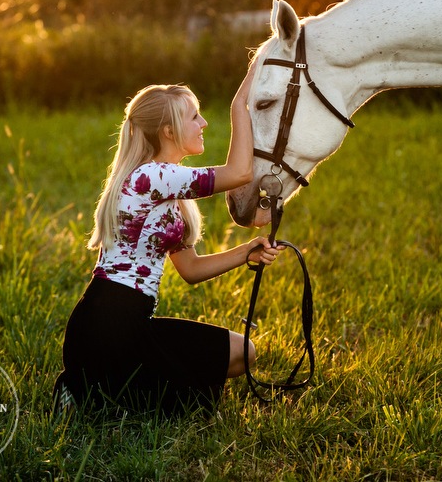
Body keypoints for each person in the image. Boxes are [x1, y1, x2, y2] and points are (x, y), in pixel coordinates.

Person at [53, 73, 280, 414]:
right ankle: (91, 394)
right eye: (194, 117)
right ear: (169, 131)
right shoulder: (152, 176)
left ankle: (98, 394)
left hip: (129, 324)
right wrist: (239, 106)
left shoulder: (165, 188)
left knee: (241, 354)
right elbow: (240, 172)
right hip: (109, 323)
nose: (203, 123)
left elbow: (190, 269)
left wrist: (247, 252)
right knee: (192, 393)